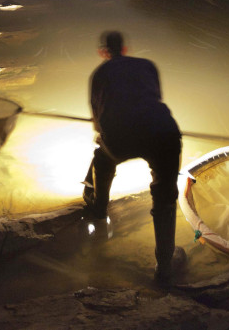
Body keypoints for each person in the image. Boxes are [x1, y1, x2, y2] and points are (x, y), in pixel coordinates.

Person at [82, 30, 185, 283]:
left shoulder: (98, 74)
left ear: (102, 52)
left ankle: (98, 207)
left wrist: (103, 131)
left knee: (103, 156)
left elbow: (98, 125)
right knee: (164, 197)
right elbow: (154, 101)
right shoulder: (148, 65)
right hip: (164, 133)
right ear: (125, 49)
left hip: (120, 137)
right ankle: (164, 267)